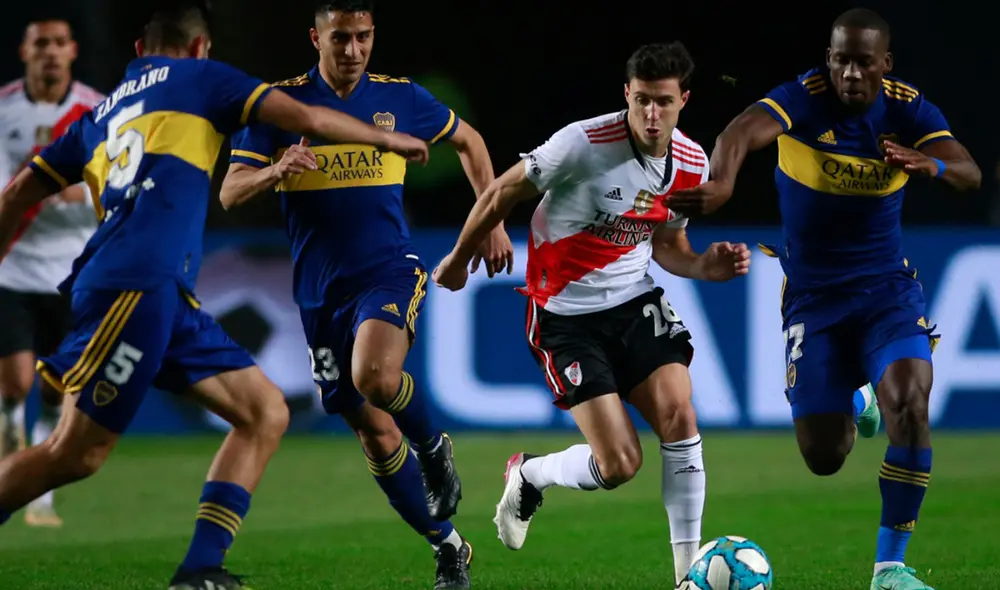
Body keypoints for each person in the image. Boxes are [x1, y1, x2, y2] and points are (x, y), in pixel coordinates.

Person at [0, 2, 429, 589]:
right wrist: (392, 140)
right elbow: (304, 113)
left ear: (138, 51)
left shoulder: (99, 112)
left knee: (264, 413)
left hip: (157, 289)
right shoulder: (201, 78)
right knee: (73, 454)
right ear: (201, 48)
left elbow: (16, 194)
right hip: (134, 283)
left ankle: (200, 570)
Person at [668, 9, 981, 590]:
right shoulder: (804, 98)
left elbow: (970, 173)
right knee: (824, 452)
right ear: (829, 59)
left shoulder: (908, 110)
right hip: (813, 299)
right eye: (841, 60)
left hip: (886, 289)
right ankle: (860, 398)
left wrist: (931, 163)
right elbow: (740, 132)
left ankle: (891, 569)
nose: (851, 74)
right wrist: (724, 182)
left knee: (911, 402)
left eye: (864, 62)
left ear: (885, 65)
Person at [433, 42, 751, 588]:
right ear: (627, 95)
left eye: (665, 103)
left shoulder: (694, 162)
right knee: (621, 464)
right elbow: (503, 190)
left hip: (633, 300)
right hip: (564, 315)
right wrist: (460, 258)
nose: (652, 115)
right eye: (643, 101)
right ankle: (532, 473)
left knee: (680, 415)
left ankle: (687, 578)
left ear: (684, 101)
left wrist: (704, 267)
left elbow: (669, 244)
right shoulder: (582, 144)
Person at [222, 2, 512, 587]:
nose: (353, 50)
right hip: (316, 295)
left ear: (373, 36)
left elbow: (472, 143)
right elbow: (230, 192)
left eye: (362, 37)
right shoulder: (279, 107)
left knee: (376, 377)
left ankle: (433, 447)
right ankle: (448, 545)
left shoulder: (401, 97)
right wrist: (274, 172)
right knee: (375, 434)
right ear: (315, 38)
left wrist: (494, 221)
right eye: (340, 39)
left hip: (388, 269)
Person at [0, 15, 104, 528]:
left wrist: (79, 190)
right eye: (40, 43)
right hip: (13, 267)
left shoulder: (97, 108)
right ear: (24, 51)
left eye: (59, 44)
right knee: (16, 381)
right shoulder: (3, 109)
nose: (50, 53)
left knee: (56, 388)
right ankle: (9, 462)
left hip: (72, 270)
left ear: (72, 51)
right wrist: (39, 184)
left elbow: (115, 181)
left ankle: (37, 491)